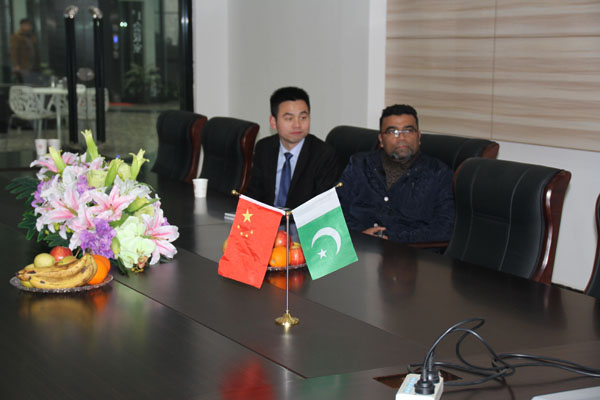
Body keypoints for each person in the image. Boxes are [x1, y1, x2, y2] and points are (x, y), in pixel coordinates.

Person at [337, 104, 454, 243]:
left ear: (418, 136)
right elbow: (335, 209)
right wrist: (360, 235)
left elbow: (444, 228)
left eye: (408, 130)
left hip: (409, 252)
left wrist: (391, 239)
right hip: (358, 245)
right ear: (381, 139)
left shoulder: (439, 174)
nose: (401, 137)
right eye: (393, 131)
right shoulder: (359, 164)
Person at [245, 86, 339, 209]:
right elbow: (253, 195)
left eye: (303, 118)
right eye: (289, 118)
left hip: (303, 220)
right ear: (273, 122)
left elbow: (323, 208)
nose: (297, 125)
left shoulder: (323, 155)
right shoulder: (264, 148)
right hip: (267, 218)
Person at [10, 18, 40, 84]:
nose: (29, 27)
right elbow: (14, 52)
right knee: (25, 84)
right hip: (23, 67)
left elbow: (36, 52)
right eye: (27, 25)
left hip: (34, 67)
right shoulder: (16, 37)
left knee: (35, 84)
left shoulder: (32, 37)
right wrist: (16, 65)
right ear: (22, 25)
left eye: (30, 25)